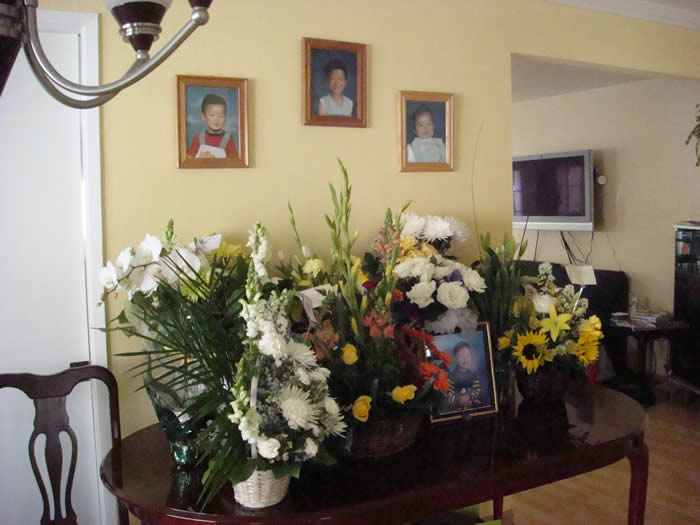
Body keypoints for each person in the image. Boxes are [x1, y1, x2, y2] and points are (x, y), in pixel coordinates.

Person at [187, 93, 238, 159]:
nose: (216, 120)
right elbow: (190, 158)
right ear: (203, 117)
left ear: (225, 117)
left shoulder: (228, 139)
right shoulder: (198, 138)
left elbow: (233, 161)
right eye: (212, 115)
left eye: (221, 116)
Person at [447, 341, 481, 409]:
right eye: (461, 356)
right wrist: (459, 400)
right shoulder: (450, 377)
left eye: (468, 355)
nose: (465, 358)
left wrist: (470, 396)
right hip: (456, 407)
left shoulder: (473, 376)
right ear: (455, 359)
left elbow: (476, 389)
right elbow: (448, 394)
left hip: (470, 403)